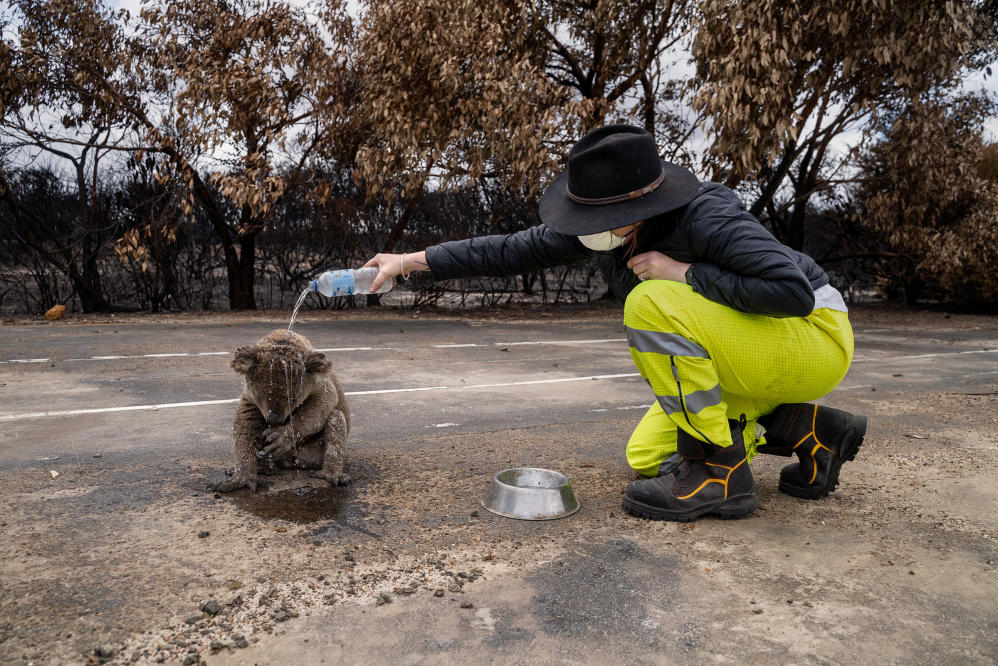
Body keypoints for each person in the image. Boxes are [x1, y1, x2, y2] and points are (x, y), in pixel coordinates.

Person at [363, 124, 866, 522]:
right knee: (648, 454)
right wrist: (406, 261)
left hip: (813, 336)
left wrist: (685, 274)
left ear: (638, 207)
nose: (583, 231)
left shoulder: (706, 214)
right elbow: (507, 249)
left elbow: (793, 293)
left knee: (650, 302)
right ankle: (809, 430)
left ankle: (720, 474)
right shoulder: (603, 229)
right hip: (758, 351)